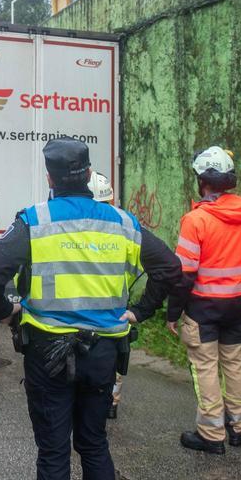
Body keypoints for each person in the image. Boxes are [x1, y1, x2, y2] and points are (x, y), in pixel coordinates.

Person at [0, 138, 168, 480]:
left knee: (53, 454)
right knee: (95, 446)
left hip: (47, 352)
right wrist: (140, 311)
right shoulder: (123, 223)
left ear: (50, 177)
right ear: (87, 174)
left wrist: (6, 312)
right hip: (103, 354)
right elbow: (170, 268)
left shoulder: (35, 220)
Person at [170, 145, 241, 454]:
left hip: (202, 308)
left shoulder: (195, 220)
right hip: (235, 306)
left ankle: (211, 434)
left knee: (206, 367)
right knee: (234, 364)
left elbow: (184, 275)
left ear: (202, 180)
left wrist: (173, 312)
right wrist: (240, 298)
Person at [85, 171, 184, 420]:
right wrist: (142, 310)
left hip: (67, 322)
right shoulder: (126, 229)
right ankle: (110, 402)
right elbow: (170, 266)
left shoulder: (64, 228)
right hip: (113, 320)